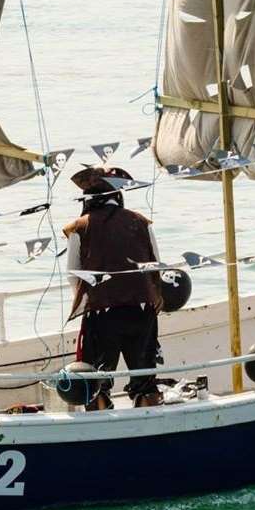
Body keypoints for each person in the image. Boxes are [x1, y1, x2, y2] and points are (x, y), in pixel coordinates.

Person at [65, 166, 164, 410]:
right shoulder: (141, 222)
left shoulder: (80, 226)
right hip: (141, 307)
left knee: (97, 376)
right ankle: (145, 405)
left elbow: (73, 274)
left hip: (101, 309)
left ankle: (99, 409)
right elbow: (154, 264)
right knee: (144, 374)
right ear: (118, 196)